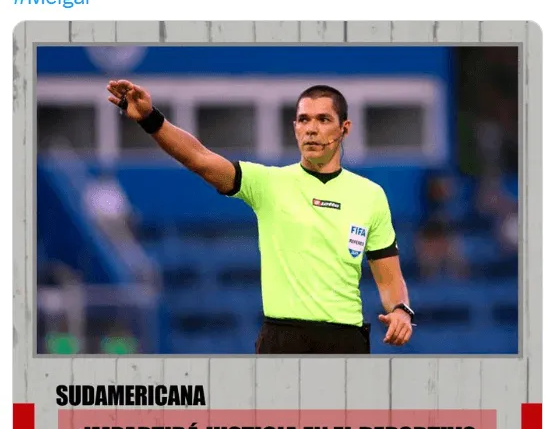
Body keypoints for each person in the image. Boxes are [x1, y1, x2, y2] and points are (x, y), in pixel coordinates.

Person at [106, 79, 414, 354]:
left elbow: (390, 279)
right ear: (295, 127)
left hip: (345, 340)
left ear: (344, 128)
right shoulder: (268, 183)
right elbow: (200, 158)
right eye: (304, 119)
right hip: (282, 339)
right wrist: (150, 118)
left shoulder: (370, 195)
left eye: (323, 119)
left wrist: (400, 310)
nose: (311, 128)